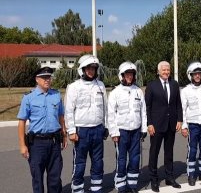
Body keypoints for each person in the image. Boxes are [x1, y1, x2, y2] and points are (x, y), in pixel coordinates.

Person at [17, 66, 67, 193]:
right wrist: (22, 145)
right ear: (37, 79)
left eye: (49, 77)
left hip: (54, 142)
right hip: (37, 144)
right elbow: (22, 122)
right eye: (44, 77)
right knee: (37, 178)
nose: (47, 80)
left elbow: (61, 117)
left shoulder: (56, 95)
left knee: (55, 177)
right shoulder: (28, 98)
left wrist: (64, 135)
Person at [65, 54, 107, 193]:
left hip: (97, 129)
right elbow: (69, 110)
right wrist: (71, 131)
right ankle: (77, 189)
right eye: (88, 68)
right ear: (82, 69)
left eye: (93, 68)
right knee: (80, 163)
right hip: (81, 131)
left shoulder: (100, 85)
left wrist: (105, 126)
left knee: (98, 162)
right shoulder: (74, 87)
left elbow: (105, 108)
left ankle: (97, 188)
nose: (91, 71)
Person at [108, 62, 147, 193]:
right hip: (121, 132)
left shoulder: (138, 91)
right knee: (122, 159)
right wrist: (113, 132)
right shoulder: (115, 93)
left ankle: (132, 185)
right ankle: (121, 186)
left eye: (131, 74)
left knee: (135, 159)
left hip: (136, 131)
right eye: (127, 74)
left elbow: (143, 112)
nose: (129, 76)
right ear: (122, 76)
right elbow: (111, 114)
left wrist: (144, 129)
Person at [145, 61, 183, 192]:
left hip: (171, 124)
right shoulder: (151, 86)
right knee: (154, 152)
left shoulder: (174, 84)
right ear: (158, 71)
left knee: (169, 152)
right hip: (156, 125)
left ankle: (169, 177)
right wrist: (149, 123)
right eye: (164, 70)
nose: (166, 72)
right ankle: (154, 179)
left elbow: (178, 104)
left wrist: (180, 120)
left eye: (168, 70)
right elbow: (148, 107)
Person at [180, 62, 201, 186]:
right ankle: (191, 174)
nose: (198, 76)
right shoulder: (185, 91)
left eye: (199, 74)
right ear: (191, 75)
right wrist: (184, 126)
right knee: (192, 150)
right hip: (192, 125)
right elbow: (182, 110)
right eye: (195, 74)